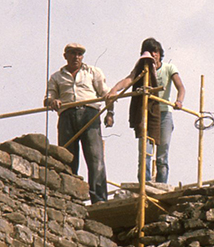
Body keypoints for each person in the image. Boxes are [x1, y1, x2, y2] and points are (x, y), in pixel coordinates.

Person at [107, 38, 185, 183]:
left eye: (155, 52)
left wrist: (179, 101)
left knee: (162, 154)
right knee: (145, 153)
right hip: (147, 113)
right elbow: (129, 79)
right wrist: (114, 90)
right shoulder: (143, 69)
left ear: (160, 53)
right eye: (149, 52)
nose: (153, 55)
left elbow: (180, 87)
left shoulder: (169, 68)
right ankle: (145, 185)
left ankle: (161, 186)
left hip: (164, 114)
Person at [44, 43, 113, 203]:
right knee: (67, 158)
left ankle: (99, 200)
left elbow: (107, 94)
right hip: (67, 115)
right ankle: (70, 199)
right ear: (65, 56)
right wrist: (52, 101)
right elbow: (47, 98)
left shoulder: (92, 72)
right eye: (72, 53)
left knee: (95, 157)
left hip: (90, 114)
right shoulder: (57, 76)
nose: (76, 57)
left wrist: (110, 113)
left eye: (79, 54)